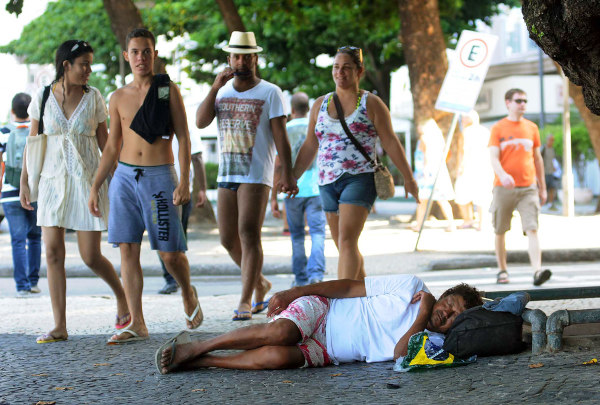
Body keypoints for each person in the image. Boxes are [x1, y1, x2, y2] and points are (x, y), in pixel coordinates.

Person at [88, 28, 203, 343]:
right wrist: (96, 185)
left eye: (146, 51)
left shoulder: (167, 90)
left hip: (160, 177)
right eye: (135, 52)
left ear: (155, 55)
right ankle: (137, 322)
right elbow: (112, 146)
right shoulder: (118, 97)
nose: (141, 57)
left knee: (170, 255)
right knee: (127, 248)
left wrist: (185, 182)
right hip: (124, 177)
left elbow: (184, 137)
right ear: (127, 56)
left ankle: (187, 291)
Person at [20, 40, 130, 343]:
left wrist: (118, 179)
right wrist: (25, 182)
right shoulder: (42, 96)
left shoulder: (94, 97)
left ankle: (122, 297)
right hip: (52, 182)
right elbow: (33, 142)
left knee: (90, 255)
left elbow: (107, 144)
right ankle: (59, 325)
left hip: (87, 182)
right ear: (66, 65)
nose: (89, 70)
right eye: (84, 64)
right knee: (53, 254)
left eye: (90, 64)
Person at [156, 275, 482, 373]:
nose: (446, 315)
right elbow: (349, 287)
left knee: (279, 358)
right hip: (324, 311)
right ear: (445, 294)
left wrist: (425, 313)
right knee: (282, 333)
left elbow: (399, 355)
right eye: (448, 305)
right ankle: (199, 345)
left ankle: (203, 361)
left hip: (329, 350)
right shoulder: (411, 285)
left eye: (454, 318)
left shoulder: (431, 343)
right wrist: (295, 292)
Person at [293, 46, 419, 281]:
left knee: (347, 239)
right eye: (336, 67)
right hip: (326, 181)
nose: (340, 73)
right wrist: (292, 177)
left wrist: (409, 178)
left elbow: (390, 142)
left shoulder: (371, 103)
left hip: (359, 177)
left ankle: (343, 301)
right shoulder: (320, 104)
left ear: (359, 71)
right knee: (343, 245)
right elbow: (311, 145)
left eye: (347, 68)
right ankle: (363, 291)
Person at [196, 31, 297, 321]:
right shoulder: (222, 91)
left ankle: (245, 299)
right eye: (236, 56)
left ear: (255, 58)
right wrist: (215, 87)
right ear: (229, 58)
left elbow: (282, 139)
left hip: (255, 173)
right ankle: (260, 282)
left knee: (249, 235)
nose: (241, 61)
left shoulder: (270, 92)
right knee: (228, 239)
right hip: (227, 172)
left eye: (246, 56)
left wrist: (286, 175)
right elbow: (201, 122)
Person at [489, 88, 550, 285]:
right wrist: (503, 175)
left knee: (532, 228)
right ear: (508, 103)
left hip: (528, 187)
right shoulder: (498, 128)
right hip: (503, 187)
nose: (522, 104)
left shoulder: (532, 128)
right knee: (500, 229)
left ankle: (537, 271)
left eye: (525, 100)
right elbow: (493, 157)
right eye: (518, 100)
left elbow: (537, 159)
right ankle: (502, 270)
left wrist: (542, 187)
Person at [272, 92, 326, 287]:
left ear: (292, 110)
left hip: (291, 189)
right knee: (318, 233)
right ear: (308, 108)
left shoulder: (285, 129)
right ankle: (316, 275)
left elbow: (278, 164)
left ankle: (301, 279)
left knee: (296, 236)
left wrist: (273, 198)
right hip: (317, 189)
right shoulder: (316, 127)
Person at [0, 93, 42, 297]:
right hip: (35, 191)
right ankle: (34, 282)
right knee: (35, 237)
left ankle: (22, 286)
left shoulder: (3, 132)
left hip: (9, 193)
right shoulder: (37, 131)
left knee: (18, 239)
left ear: (12, 111)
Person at [157, 137, 208, 295]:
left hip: (181, 191)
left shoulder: (187, 127)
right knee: (163, 236)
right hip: (158, 190)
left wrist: (202, 189)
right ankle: (172, 279)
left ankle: (179, 279)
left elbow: (197, 157)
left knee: (177, 237)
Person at [412, 119, 456, 232]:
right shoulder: (438, 140)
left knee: (422, 201)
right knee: (442, 200)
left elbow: (426, 156)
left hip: (426, 173)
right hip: (437, 172)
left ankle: (419, 224)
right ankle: (451, 223)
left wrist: (425, 170)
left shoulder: (424, 139)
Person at [454, 111, 493, 231]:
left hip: (470, 167)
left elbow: (462, 151)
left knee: (462, 193)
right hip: (485, 167)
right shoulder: (485, 131)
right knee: (482, 196)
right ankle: (481, 222)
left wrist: (459, 166)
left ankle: (468, 219)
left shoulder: (466, 132)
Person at [541, 134, 559, 210]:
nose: (551, 141)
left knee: (552, 188)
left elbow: (553, 160)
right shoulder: (543, 149)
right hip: (544, 172)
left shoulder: (553, 149)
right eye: (550, 140)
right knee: (544, 188)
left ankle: (550, 204)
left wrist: (554, 167)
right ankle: (541, 203)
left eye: (552, 140)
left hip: (551, 172)